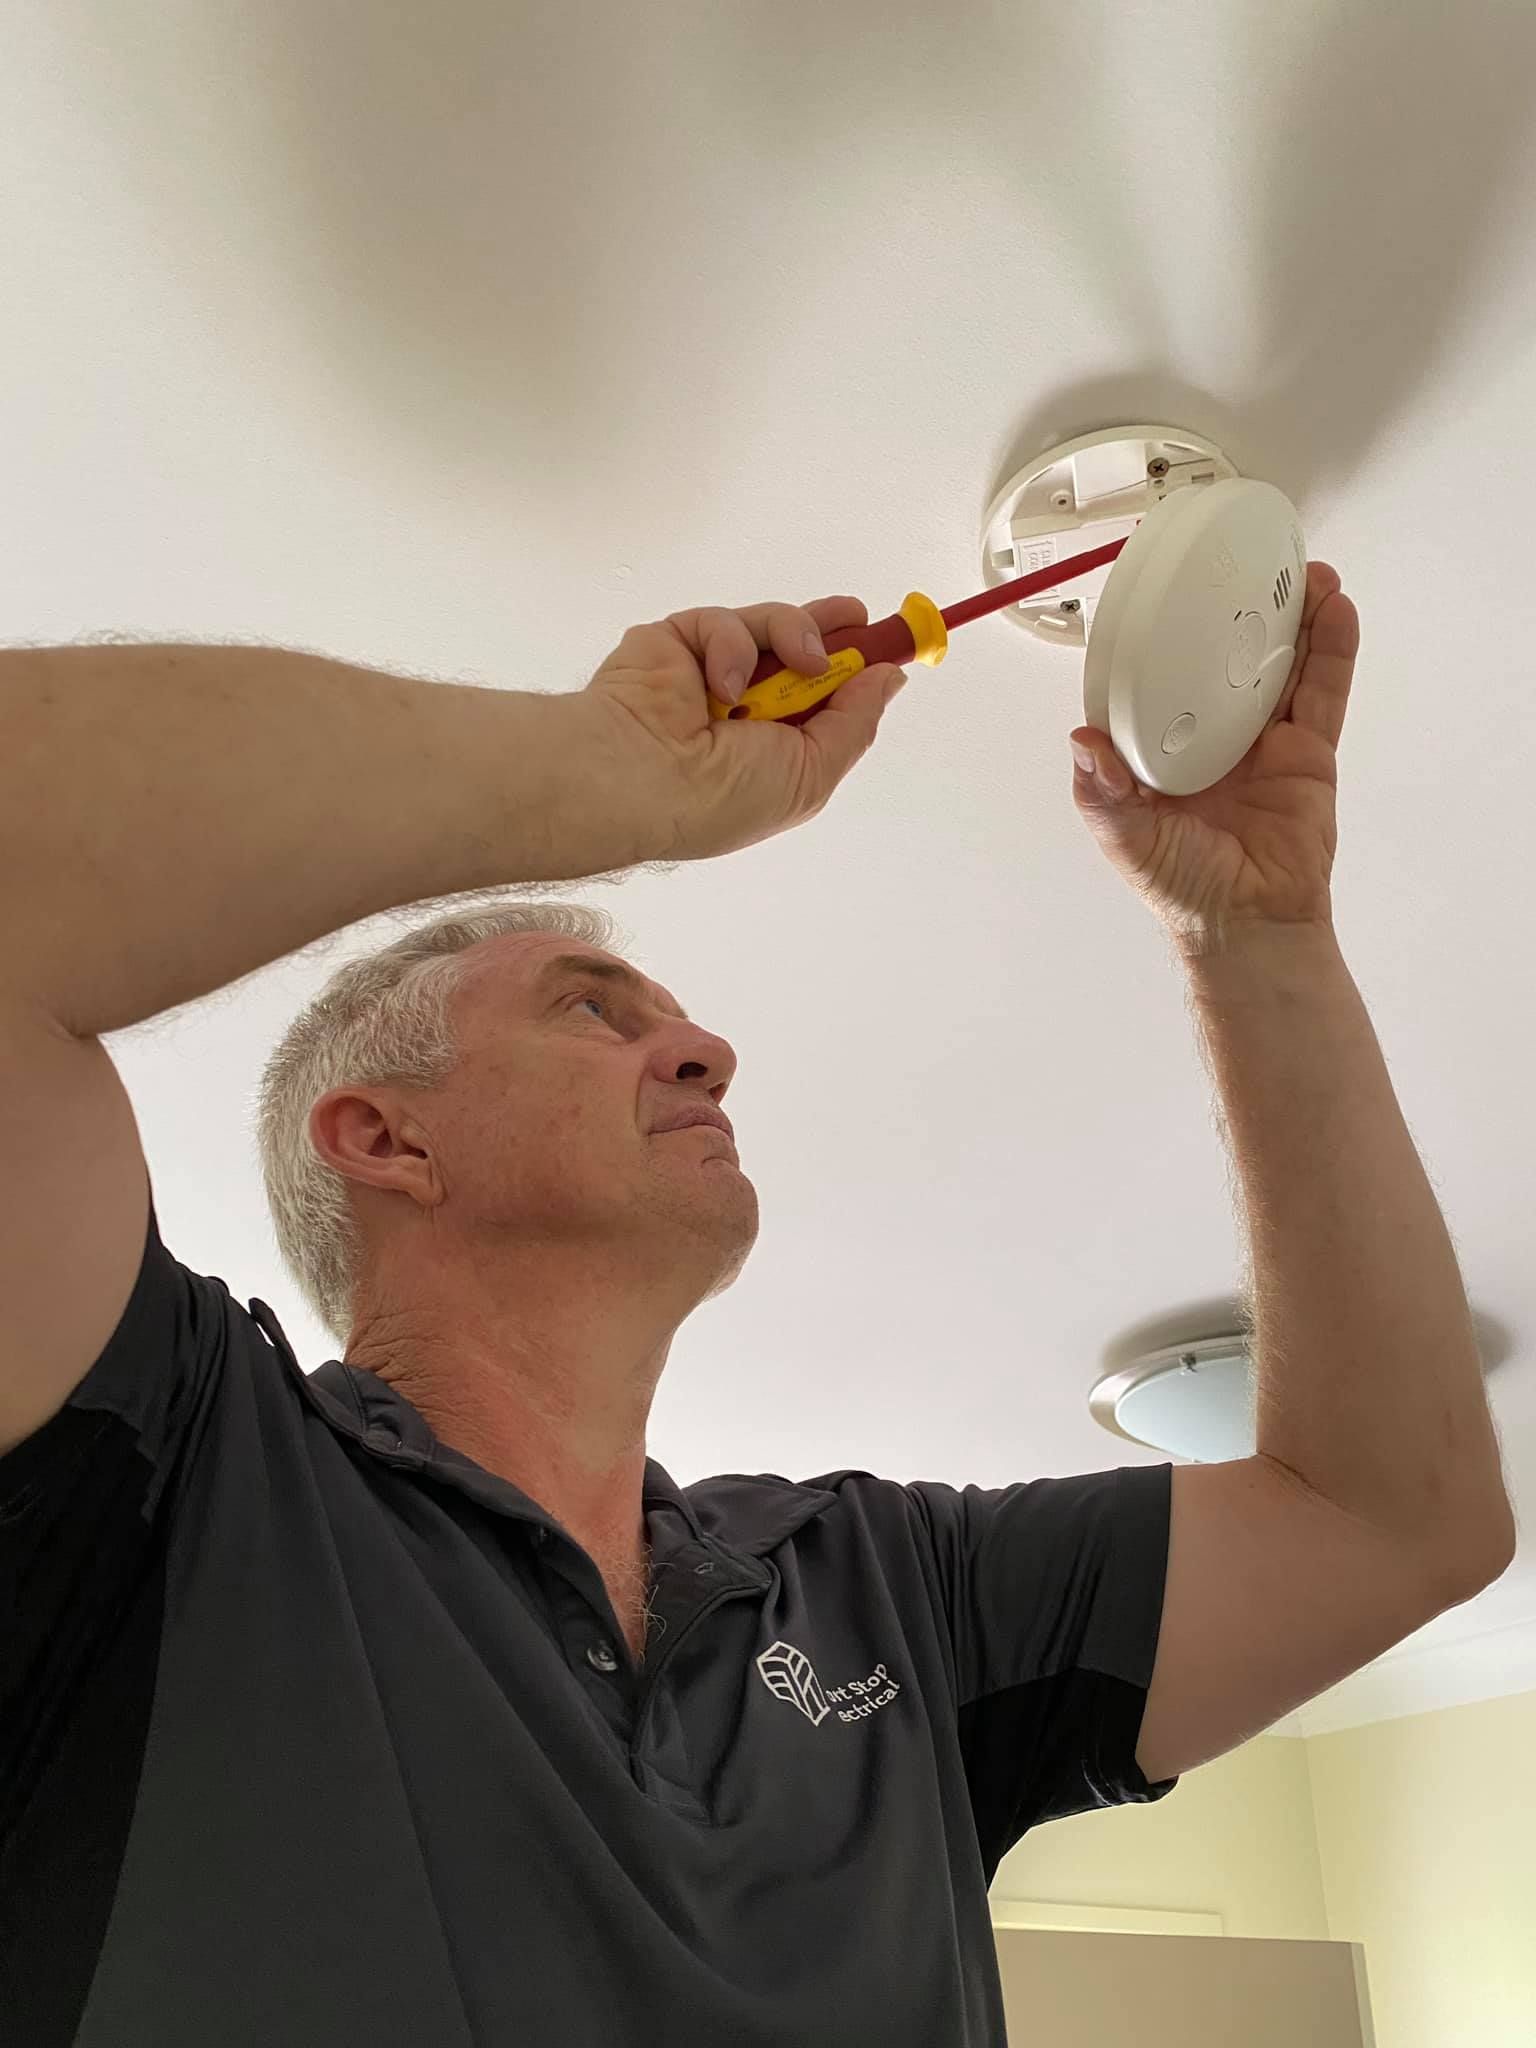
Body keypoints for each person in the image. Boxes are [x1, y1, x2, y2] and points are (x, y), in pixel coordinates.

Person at [0, 579, 1514, 2047]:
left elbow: (1393, 1520)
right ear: (387, 1140)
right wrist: (612, 768)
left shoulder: (886, 1587)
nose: (707, 1051)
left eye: (673, 1020)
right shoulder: (177, 1472)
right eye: (591, 1007)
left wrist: (1261, 933)